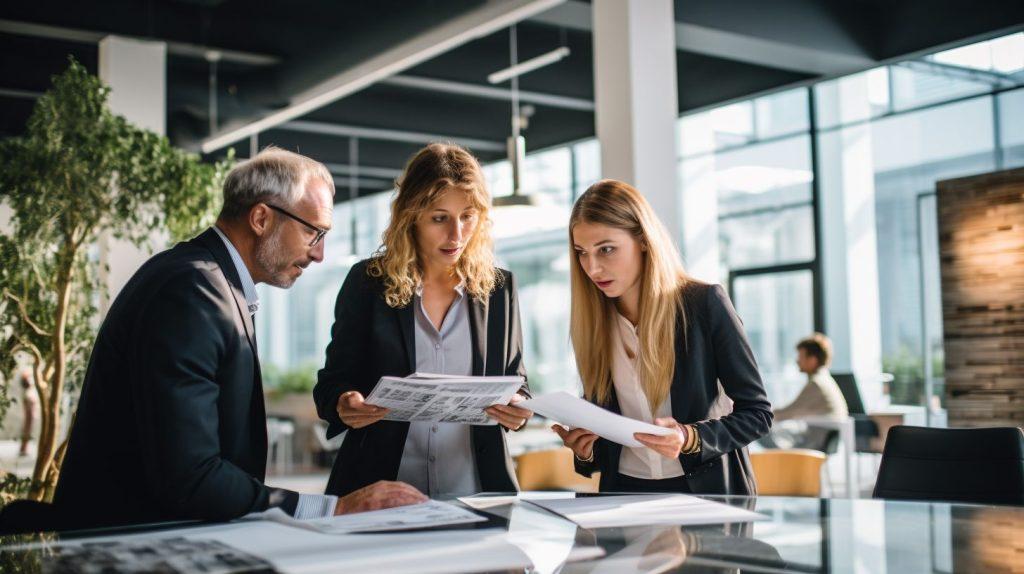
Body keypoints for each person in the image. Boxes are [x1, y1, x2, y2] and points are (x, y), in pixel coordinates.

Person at [53, 148, 425, 530]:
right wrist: (332, 509)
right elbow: (189, 474)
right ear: (261, 218)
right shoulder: (192, 291)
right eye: (313, 232)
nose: (319, 253)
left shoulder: (207, 279)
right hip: (128, 544)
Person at [314, 143, 532, 499]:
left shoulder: (499, 289)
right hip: (381, 490)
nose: (456, 234)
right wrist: (343, 403)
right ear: (412, 215)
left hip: (477, 492)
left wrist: (518, 407)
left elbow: (516, 378)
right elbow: (331, 384)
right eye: (439, 217)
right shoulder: (368, 282)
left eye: (468, 216)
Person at [553, 179, 773, 495]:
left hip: (704, 491)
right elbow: (608, 438)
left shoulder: (703, 304)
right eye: (582, 253)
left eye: (607, 249)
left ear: (643, 240)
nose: (593, 267)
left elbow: (758, 415)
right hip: (625, 493)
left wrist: (689, 437)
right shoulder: (595, 323)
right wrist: (586, 450)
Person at [762, 333, 848, 451]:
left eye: (801, 356)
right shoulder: (825, 379)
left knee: (760, 429)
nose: (797, 361)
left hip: (814, 442)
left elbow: (789, 412)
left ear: (812, 360)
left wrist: (761, 414)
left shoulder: (816, 384)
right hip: (819, 437)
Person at [17, 368, 36, 457]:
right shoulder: (28, 393)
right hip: (29, 403)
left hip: (29, 402)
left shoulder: (28, 392)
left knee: (27, 428)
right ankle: (23, 448)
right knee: (27, 428)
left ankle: (24, 448)